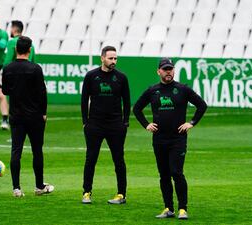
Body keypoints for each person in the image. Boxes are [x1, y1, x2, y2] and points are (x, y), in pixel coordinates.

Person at [133, 58, 207, 219]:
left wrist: (191, 123)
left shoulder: (182, 89)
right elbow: (137, 109)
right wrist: (146, 124)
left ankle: (182, 209)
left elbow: (202, 105)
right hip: (159, 139)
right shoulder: (153, 90)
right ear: (159, 71)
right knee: (164, 174)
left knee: (177, 172)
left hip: (177, 139)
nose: (169, 72)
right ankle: (168, 208)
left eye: (171, 69)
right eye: (165, 69)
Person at [2, 36, 54, 197]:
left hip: (16, 116)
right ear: (30, 50)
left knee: (16, 150)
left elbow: (5, 91)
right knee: (37, 151)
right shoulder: (35, 68)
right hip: (35, 116)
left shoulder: (8, 68)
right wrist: (44, 113)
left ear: (16, 49)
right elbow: (42, 93)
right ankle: (39, 186)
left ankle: (16, 188)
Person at [81, 46, 130, 204]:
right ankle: (87, 192)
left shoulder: (121, 78)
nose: (113, 61)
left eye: (115, 58)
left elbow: (127, 101)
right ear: (102, 58)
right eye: (110, 58)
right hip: (95, 124)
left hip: (116, 125)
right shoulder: (91, 76)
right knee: (91, 159)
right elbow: (84, 100)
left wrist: (125, 122)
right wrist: (85, 122)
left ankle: (121, 194)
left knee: (119, 160)